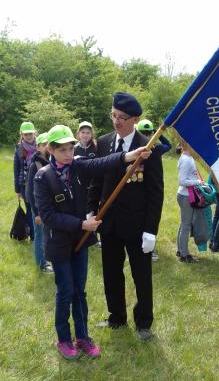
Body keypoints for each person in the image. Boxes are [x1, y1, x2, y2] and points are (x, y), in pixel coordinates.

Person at [34, 124, 149, 359]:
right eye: (63, 150)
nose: (69, 154)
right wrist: (81, 224)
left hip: (81, 241)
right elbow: (47, 216)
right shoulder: (42, 177)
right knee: (65, 291)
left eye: (70, 148)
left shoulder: (76, 166)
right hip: (59, 244)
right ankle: (64, 339)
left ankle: (83, 337)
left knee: (80, 292)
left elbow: (100, 164)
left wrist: (128, 156)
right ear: (51, 150)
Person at [91, 92, 164, 341]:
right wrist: (92, 210)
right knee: (111, 272)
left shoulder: (148, 147)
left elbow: (156, 192)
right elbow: (97, 181)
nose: (116, 121)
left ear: (135, 119)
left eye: (122, 117)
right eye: (113, 115)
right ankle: (116, 317)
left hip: (137, 225)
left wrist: (150, 229)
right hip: (108, 223)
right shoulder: (103, 142)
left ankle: (143, 322)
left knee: (141, 275)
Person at [137, 118, 171, 261]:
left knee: (144, 218)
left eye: (148, 133)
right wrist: (158, 133)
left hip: (142, 187)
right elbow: (168, 145)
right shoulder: (155, 148)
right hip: (144, 188)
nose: (147, 136)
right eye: (145, 133)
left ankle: (148, 248)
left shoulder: (142, 149)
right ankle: (144, 248)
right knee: (145, 218)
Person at [176, 141, 209, 262]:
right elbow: (182, 181)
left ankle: (180, 250)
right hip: (186, 196)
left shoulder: (186, 158)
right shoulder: (186, 160)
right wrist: (199, 182)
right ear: (189, 145)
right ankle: (184, 255)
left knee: (184, 223)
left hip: (185, 194)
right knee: (186, 225)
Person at [26, 132, 53, 273]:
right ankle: (42, 264)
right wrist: (36, 213)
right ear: (38, 147)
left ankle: (46, 260)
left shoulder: (50, 162)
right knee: (40, 234)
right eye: (44, 145)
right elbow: (30, 192)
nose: (47, 147)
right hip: (38, 208)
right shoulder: (35, 165)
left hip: (48, 206)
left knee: (46, 233)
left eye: (49, 144)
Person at [13, 121, 36, 241]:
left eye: (30, 133)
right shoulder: (18, 148)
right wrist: (17, 189)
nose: (28, 136)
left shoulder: (40, 145)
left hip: (38, 182)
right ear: (22, 134)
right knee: (29, 209)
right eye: (26, 134)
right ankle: (33, 235)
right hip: (24, 185)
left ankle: (40, 233)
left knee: (39, 209)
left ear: (34, 133)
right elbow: (16, 170)